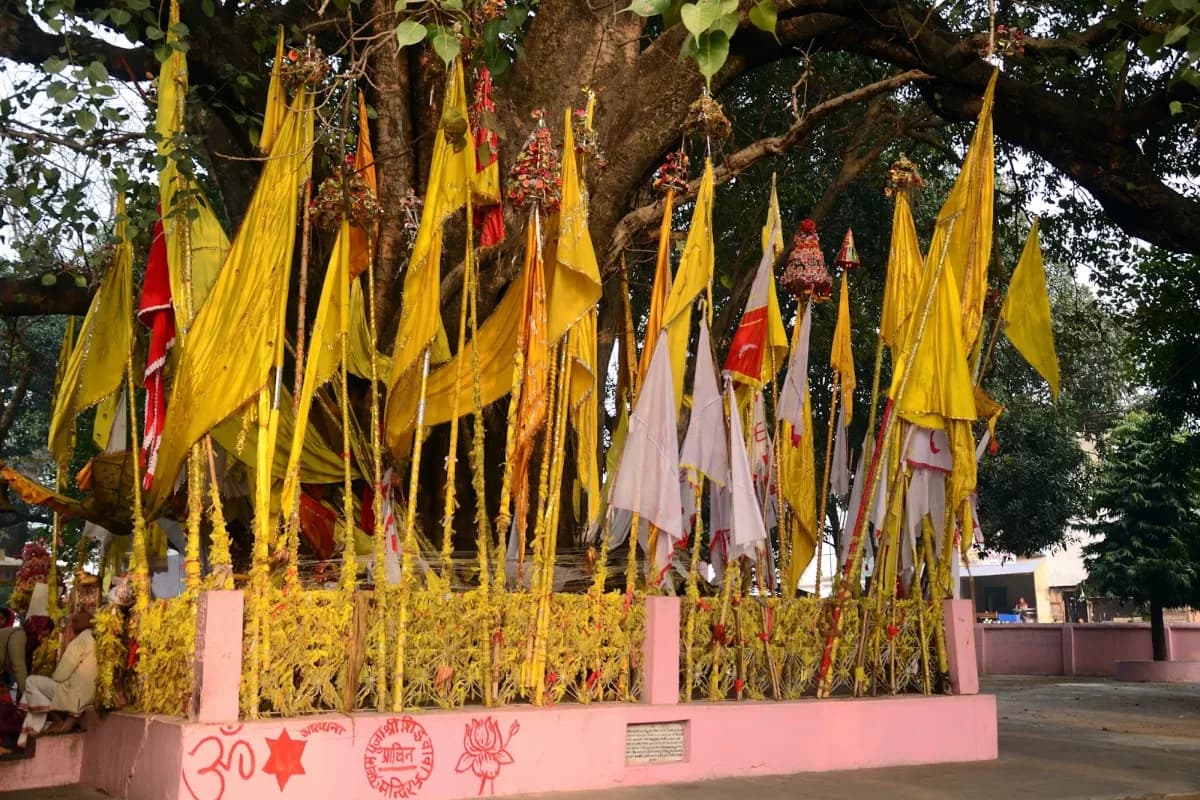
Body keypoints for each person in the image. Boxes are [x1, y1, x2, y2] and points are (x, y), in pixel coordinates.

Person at [16, 609, 97, 748]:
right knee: (33, 690)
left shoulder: (80, 641)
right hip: (88, 693)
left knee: (31, 682)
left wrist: (51, 677)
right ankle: (36, 728)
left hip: (74, 693)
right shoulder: (94, 640)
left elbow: (60, 675)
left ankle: (53, 720)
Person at [0, 607, 28, 702]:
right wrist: (29, 699)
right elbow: (18, 667)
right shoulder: (17, 635)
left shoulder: (11, 634)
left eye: (2, 618)